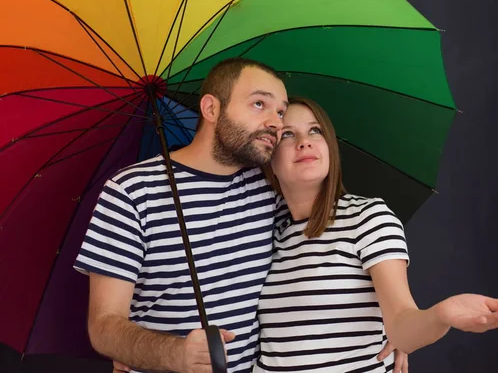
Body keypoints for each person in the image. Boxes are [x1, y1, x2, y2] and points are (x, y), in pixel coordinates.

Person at [75, 58, 402, 373]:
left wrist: (397, 322)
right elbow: (103, 327)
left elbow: (334, 258)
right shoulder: (132, 191)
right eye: (259, 104)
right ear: (211, 109)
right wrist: (175, 354)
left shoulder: (270, 188)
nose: (276, 122)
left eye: (280, 111)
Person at [252, 96, 498, 372]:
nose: (304, 141)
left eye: (315, 130)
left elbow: (401, 327)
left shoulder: (367, 217)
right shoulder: (270, 235)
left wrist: (441, 315)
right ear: (268, 159)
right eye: (287, 134)